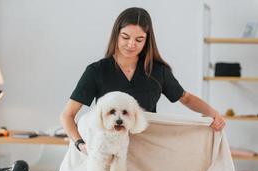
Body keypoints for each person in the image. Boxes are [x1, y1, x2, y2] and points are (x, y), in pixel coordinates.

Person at [60, 7, 225, 154]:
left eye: (139, 39)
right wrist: (81, 144)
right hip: (108, 152)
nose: (131, 44)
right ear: (116, 35)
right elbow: (67, 115)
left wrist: (214, 114)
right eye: (125, 37)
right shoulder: (97, 71)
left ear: (147, 40)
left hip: (146, 152)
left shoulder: (158, 71)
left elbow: (186, 98)